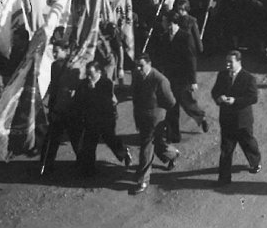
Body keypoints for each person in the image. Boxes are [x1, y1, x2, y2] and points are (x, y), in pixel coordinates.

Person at [153, 12, 208, 143]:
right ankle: (174, 135)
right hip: (169, 77)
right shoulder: (165, 37)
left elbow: (191, 59)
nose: (163, 24)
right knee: (171, 106)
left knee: (187, 103)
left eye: (164, 21)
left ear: (172, 22)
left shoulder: (186, 37)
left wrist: (193, 81)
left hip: (183, 78)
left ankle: (200, 117)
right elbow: (162, 57)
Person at [131, 52, 180, 194]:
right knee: (158, 144)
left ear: (149, 64)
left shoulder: (160, 80)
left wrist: (159, 112)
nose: (139, 69)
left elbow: (171, 102)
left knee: (146, 146)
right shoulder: (137, 75)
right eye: (137, 66)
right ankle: (172, 154)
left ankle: (143, 180)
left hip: (155, 119)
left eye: (141, 66)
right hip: (141, 116)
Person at [72, 61, 132, 176]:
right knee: (89, 144)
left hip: (105, 119)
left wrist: (92, 90)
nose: (89, 76)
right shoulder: (84, 84)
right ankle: (89, 170)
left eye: (91, 73)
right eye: (87, 74)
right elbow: (78, 101)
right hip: (91, 119)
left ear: (99, 72)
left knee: (110, 140)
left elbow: (104, 101)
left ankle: (123, 152)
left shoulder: (106, 83)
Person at [211, 51, 261, 185]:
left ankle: (255, 162)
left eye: (230, 62)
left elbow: (252, 97)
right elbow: (215, 91)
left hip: (242, 120)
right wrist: (218, 98)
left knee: (248, 143)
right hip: (227, 119)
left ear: (239, 62)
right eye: (226, 62)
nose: (227, 65)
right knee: (226, 150)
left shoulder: (248, 78)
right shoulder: (222, 75)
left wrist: (235, 101)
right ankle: (224, 179)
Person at [40, 40, 80, 174]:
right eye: (53, 52)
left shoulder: (74, 66)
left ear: (66, 50)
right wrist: (47, 100)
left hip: (70, 108)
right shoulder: (55, 65)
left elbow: (72, 88)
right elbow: (53, 85)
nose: (55, 54)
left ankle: (83, 164)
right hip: (57, 107)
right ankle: (46, 164)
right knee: (52, 138)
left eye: (57, 51)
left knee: (75, 138)